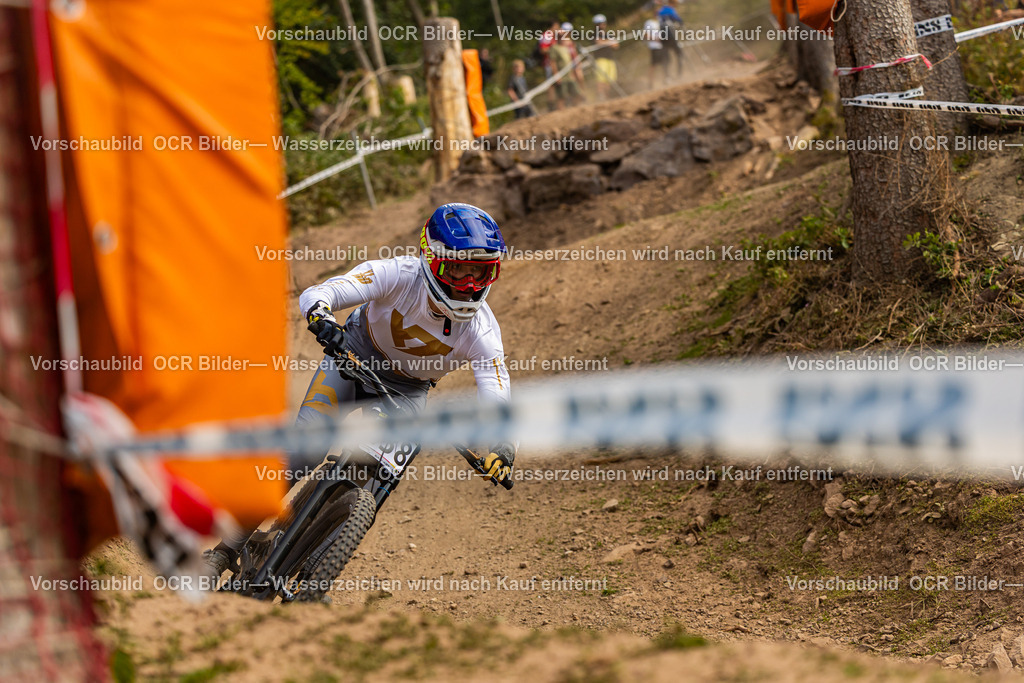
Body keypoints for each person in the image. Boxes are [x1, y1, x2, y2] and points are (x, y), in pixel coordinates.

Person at [203, 203, 517, 576]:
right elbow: (326, 291)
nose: (468, 286)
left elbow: (496, 388)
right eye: (458, 270)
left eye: (479, 273)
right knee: (303, 451)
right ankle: (225, 550)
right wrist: (321, 316)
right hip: (351, 356)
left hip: (408, 392)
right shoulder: (398, 274)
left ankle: (319, 562)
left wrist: (503, 447)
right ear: (431, 260)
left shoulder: (482, 330)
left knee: (382, 473)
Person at [591, 14, 619, 101]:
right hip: (601, 59)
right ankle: (600, 99)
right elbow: (598, 42)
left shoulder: (608, 34)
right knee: (601, 80)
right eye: (599, 23)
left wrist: (608, 42)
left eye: (603, 23)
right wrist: (609, 42)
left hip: (610, 59)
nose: (602, 25)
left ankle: (607, 99)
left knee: (609, 81)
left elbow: (616, 45)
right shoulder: (594, 34)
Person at [657, 0, 685, 80]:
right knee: (679, 54)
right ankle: (679, 75)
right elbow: (679, 20)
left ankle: (667, 77)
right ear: (672, 3)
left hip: (662, 35)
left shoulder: (660, 10)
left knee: (666, 57)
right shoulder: (670, 10)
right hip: (671, 34)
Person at [643, 9, 667, 89]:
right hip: (654, 47)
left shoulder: (661, 22)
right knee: (654, 65)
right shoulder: (649, 22)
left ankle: (665, 80)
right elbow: (645, 35)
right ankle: (650, 83)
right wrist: (655, 39)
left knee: (664, 63)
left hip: (662, 46)